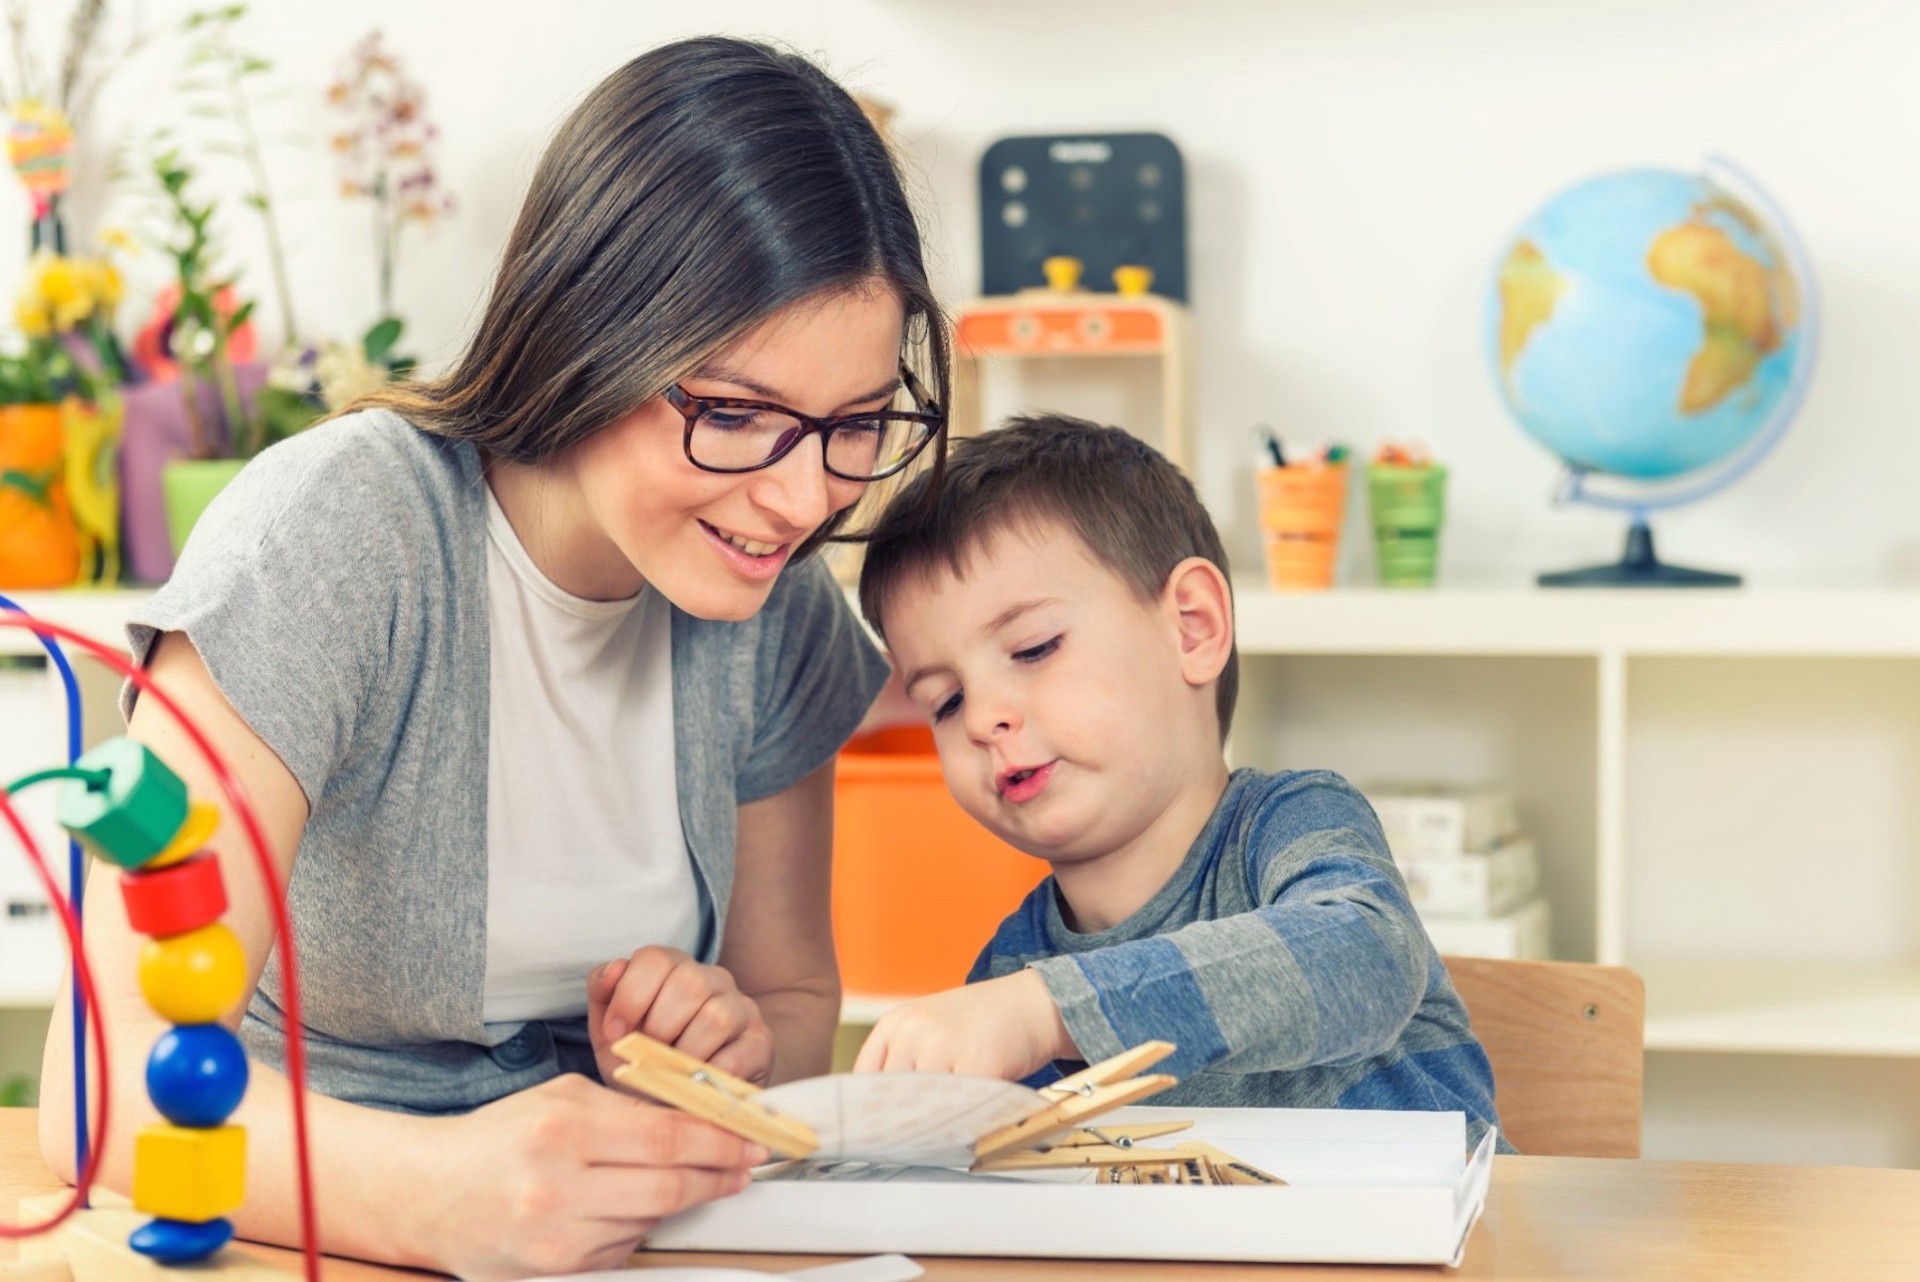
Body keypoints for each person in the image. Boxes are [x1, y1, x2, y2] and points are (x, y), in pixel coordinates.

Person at [39, 35, 949, 1279]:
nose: (802, 501)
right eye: (736, 415)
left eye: (854, 427)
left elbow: (792, 1012)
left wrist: (721, 1056)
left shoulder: (772, 606)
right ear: (592, 330)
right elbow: (99, 1079)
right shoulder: (345, 534)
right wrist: (427, 1194)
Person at [850, 416, 1504, 1149]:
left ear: (1192, 627)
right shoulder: (1009, 970)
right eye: (945, 700)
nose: (983, 720)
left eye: (1033, 649)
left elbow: (1365, 959)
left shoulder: (1290, 823)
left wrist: (1047, 1013)